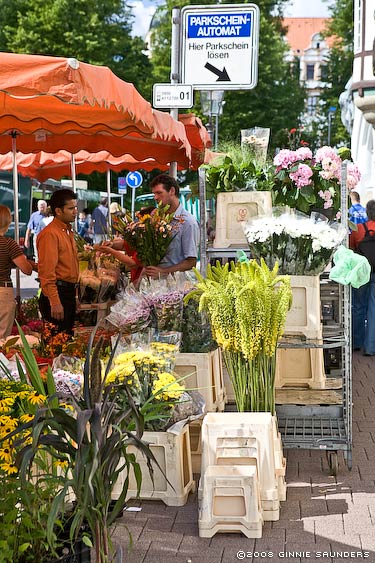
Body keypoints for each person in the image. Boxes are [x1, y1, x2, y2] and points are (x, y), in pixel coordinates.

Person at [37, 189, 79, 335]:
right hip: (57, 294)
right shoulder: (50, 234)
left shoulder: (66, 231)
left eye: (75, 207)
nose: (75, 211)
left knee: (67, 343)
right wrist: (55, 301)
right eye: (71, 208)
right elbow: (47, 272)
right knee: (57, 346)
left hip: (67, 292)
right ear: (58, 211)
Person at [144, 174, 199, 278]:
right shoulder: (156, 218)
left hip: (176, 286)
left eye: (159, 193)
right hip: (155, 285)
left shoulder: (188, 222)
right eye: (154, 193)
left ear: (172, 191)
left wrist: (163, 271)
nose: (155, 197)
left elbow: (191, 262)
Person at [0, 205, 36, 339]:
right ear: (8, 221)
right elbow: (26, 270)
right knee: (2, 338)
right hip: (2, 291)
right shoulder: (9, 244)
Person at [350, 199, 375, 355]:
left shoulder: (358, 229)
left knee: (358, 306)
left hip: (361, 273)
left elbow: (351, 251)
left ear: (367, 212)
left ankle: (356, 342)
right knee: (373, 308)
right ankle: (370, 347)